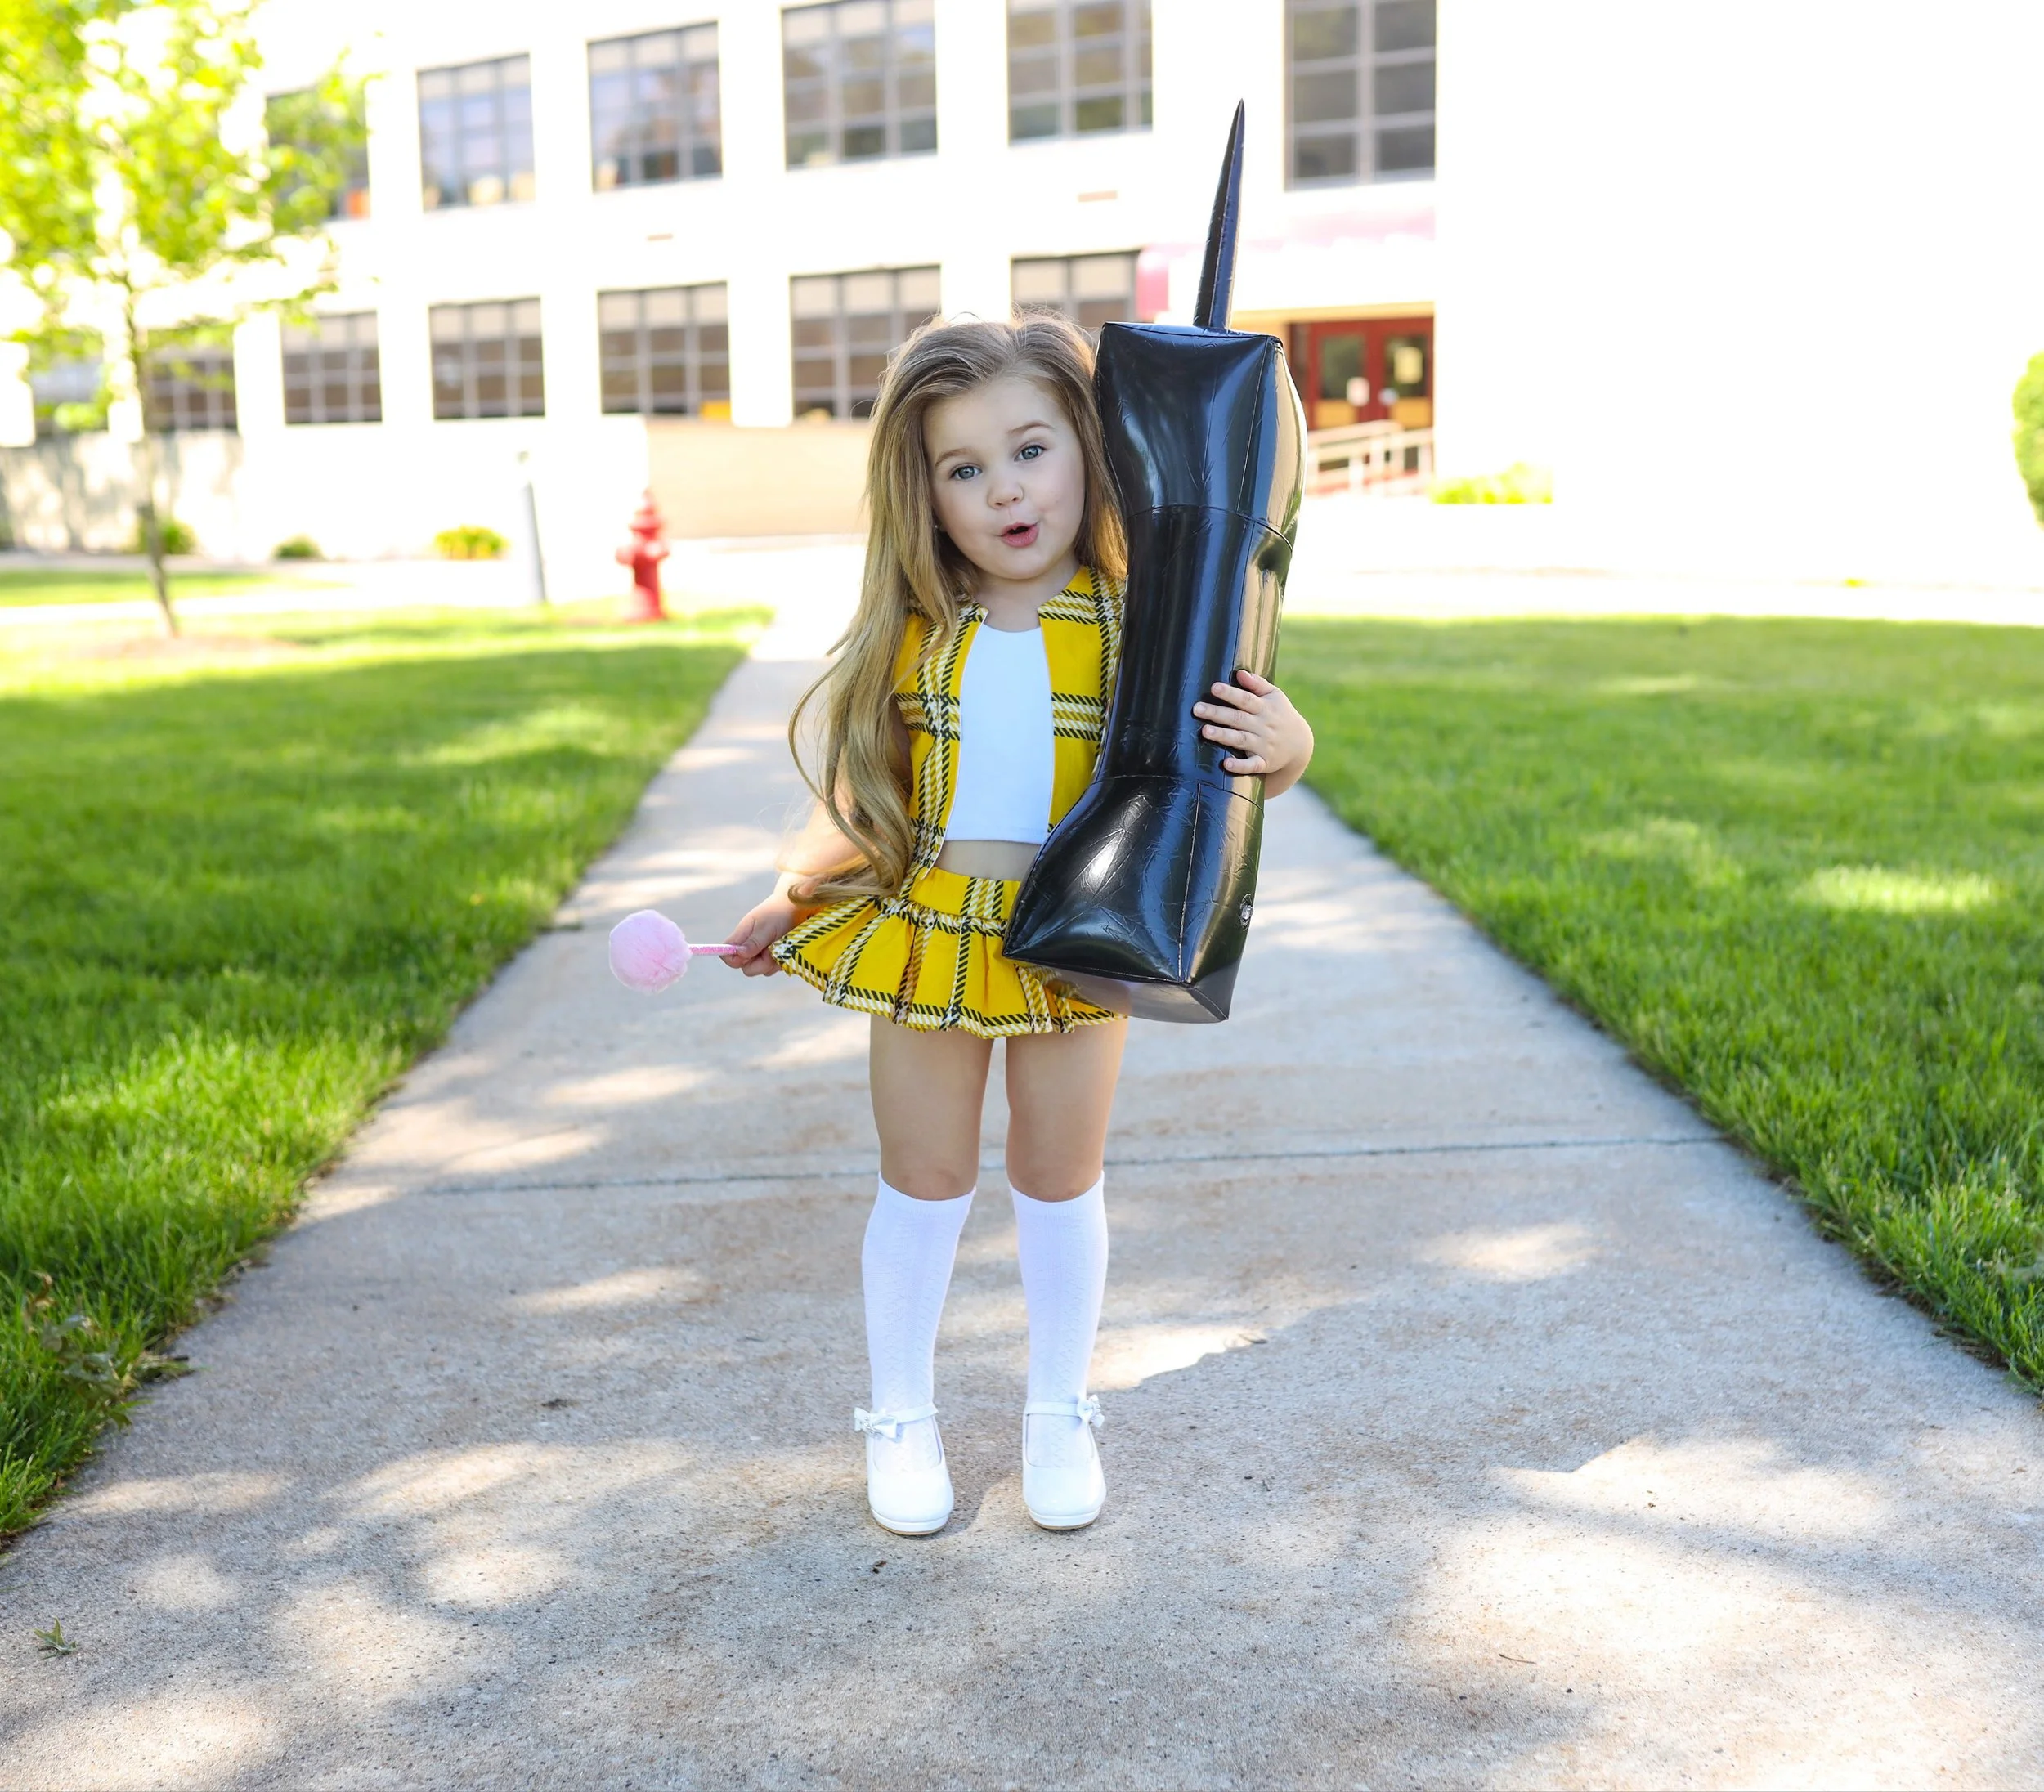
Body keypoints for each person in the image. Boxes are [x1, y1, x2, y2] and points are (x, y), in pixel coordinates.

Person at [721, 314, 1315, 1537]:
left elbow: (1218, 765)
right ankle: (900, 1414)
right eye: (965, 468)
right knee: (922, 1180)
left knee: (1059, 1178)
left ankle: (1057, 1411)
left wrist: (1288, 744)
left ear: (1093, 450)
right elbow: (878, 801)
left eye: (1032, 450)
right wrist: (792, 894)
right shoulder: (917, 636)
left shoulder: (1145, 627)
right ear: (924, 494)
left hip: (1078, 941)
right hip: (931, 931)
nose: (1006, 490)